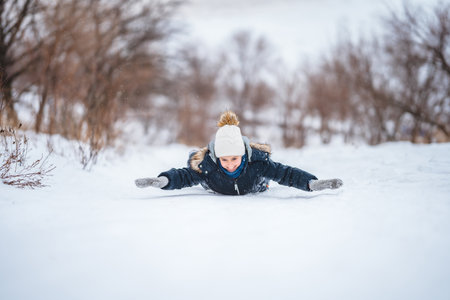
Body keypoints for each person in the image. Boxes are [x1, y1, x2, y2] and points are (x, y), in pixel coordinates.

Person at [135, 111, 343, 195]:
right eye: (224, 159)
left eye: (234, 158)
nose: (230, 164)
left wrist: (311, 183)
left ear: (243, 155)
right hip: (215, 184)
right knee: (195, 165)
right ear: (218, 157)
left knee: (263, 181)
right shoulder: (210, 165)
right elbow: (183, 176)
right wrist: (164, 180)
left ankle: (261, 183)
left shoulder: (257, 163)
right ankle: (196, 153)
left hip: (252, 184)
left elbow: (285, 174)